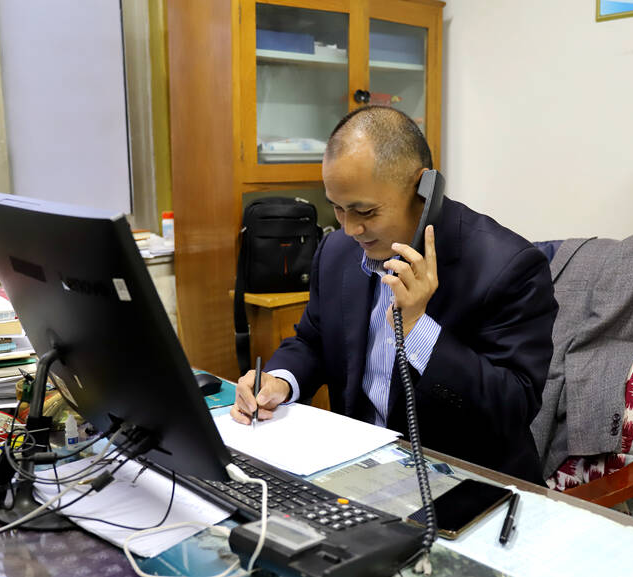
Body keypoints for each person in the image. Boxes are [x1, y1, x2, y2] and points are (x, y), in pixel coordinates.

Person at [230, 106, 557, 483]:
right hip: (360, 471)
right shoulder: (336, 251)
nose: (350, 228)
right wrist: (280, 380)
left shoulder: (508, 266)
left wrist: (418, 327)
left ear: (423, 188)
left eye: (366, 211)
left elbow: (514, 408)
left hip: (468, 483)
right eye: (338, 208)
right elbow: (313, 340)